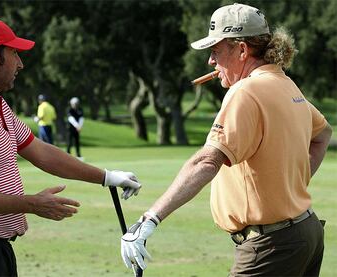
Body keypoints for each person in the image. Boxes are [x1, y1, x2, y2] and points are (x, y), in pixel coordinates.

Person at [120, 3, 332, 276]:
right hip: (305, 231)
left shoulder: (245, 90)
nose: (211, 61)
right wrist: (293, 182)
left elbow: (207, 162)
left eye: (216, 51)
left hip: (272, 245)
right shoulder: (284, 83)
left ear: (242, 50)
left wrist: (150, 218)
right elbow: (323, 135)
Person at [0, 17, 141, 277]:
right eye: (14, 52)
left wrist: (106, 177)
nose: (20, 63)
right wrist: (31, 204)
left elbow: (40, 152)